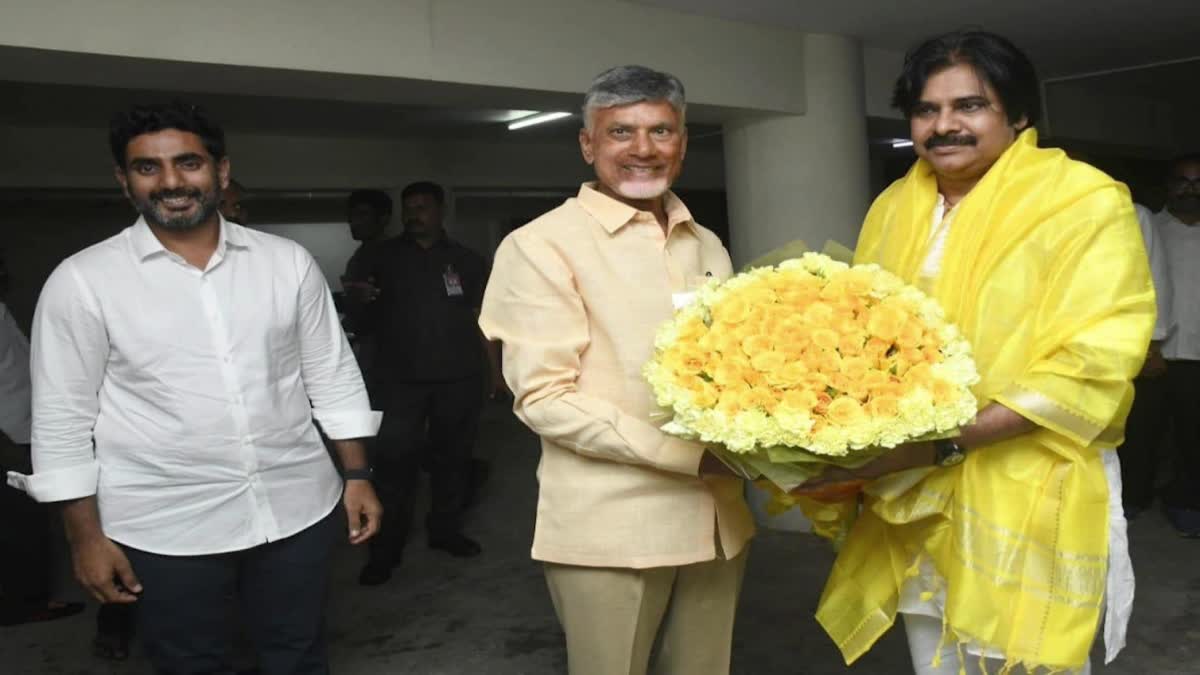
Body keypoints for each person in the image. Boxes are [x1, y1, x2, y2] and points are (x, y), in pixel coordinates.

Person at [797, 31, 1155, 674]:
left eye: (969, 106)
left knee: (1019, 657)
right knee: (933, 654)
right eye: (927, 110)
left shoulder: (1083, 201)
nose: (944, 126)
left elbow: (1095, 358)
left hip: (1025, 476)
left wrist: (944, 441)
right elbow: (861, 334)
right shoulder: (893, 206)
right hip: (908, 485)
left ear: (1017, 115)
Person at [5, 101, 382, 674]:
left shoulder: (287, 264)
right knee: (193, 663)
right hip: (164, 525)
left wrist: (356, 475)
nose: (172, 182)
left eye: (188, 163)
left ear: (221, 171)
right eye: (147, 168)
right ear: (123, 179)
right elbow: (61, 419)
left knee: (299, 652)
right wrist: (84, 537)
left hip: (295, 506)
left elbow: (331, 374)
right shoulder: (83, 282)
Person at [479, 65, 755, 675]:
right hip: (612, 527)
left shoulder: (705, 242)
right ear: (587, 144)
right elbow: (546, 398)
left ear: (682, 142)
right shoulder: (541, 245)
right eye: (620, 132)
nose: (643, 150)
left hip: (719, 519)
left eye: (661, 131)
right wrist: (692, 457)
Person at [354, 181, 502, 586]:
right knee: (393, 465)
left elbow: (484, 322)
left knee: (453, 459)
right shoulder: (379, 257)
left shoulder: (466, 261)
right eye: (409, 207)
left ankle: (445, 532)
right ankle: (384, 551)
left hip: (458, 378)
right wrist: (361, 300)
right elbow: (357, 320)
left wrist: (496, 373)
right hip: (398, 381)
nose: (413, 214)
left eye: (422, 207)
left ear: (440, 212)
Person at [0, 249, 85, 627]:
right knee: (21, 526)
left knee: (24, 523)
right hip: (8, 435)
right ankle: (25, 603)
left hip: (20, 429)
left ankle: (25, 598)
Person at [1150, 153, 1200, 537]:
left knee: (1192, 437)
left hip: (1197, 357)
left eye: (1198, 182)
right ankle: (1134, 499)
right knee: (1143, 435)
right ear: (1170, 186)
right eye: (1183, 181)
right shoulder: (1150, 227)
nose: (1191, 189)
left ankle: (1186, 502)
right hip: (1155, 354)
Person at [1116, 201, 1174, 520]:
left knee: (1133, 426)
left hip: (1125, 341)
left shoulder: (1132, 213)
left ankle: (1131, 498)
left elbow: (1155, 279)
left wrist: (1153, 345)